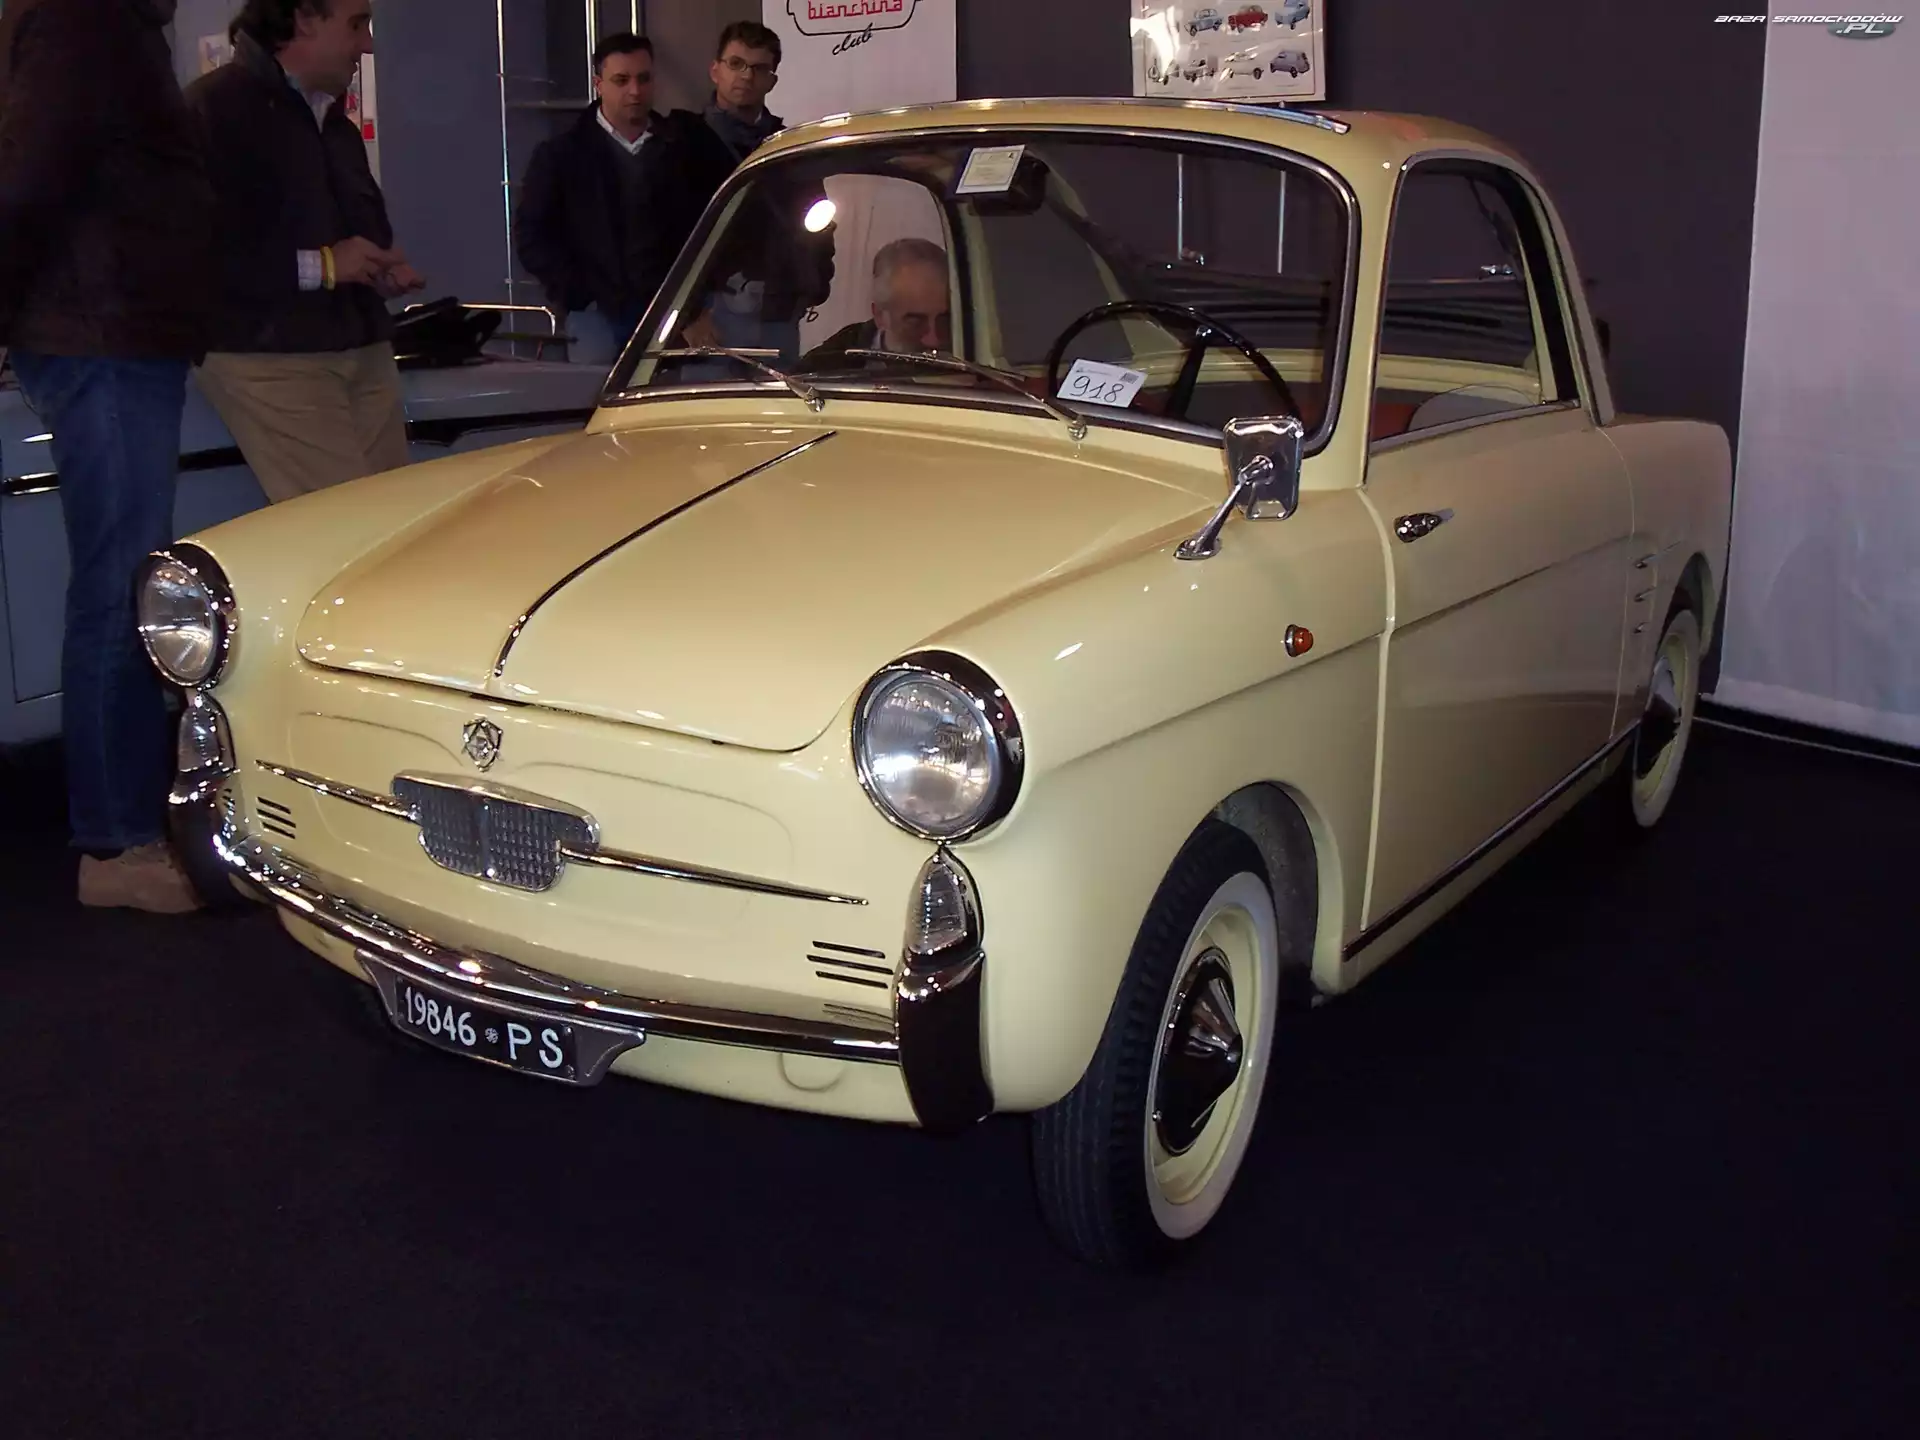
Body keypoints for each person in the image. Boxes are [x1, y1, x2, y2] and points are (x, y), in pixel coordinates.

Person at [0, 0, 213, 912]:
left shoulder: (97, 21)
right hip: (104, 331)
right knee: (121, 588)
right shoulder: (85, 18)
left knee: (119, 582)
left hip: (111, 328)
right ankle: (116, 842)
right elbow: (27, 183)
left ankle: (120, 827)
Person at [185, 0, 424, 505]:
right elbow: (194, 254)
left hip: (361, 346)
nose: (368, 45)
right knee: (349, 527)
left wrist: (378, 267)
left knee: (395, 523)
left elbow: (363, 227)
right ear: (304, 20)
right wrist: (327, 266)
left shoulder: (335, 124)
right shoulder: (213, 111)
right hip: (270, 355)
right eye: (356, 25)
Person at [514, 34, 705, 369]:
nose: (635, 91)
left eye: (643, 79)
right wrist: (578, 292)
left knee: (668, 399)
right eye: (621, 80)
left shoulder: (683, 147)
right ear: (598, 84)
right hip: (595, 315)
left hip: (669, 313)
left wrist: (694, 302)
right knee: (596, 397)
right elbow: (531, 236)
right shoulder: (562, 155)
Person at [810, 239, 953, 357]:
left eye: (945, 321)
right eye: (914, 323)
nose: (933, 340)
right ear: (879, 315)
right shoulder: (828, 367)